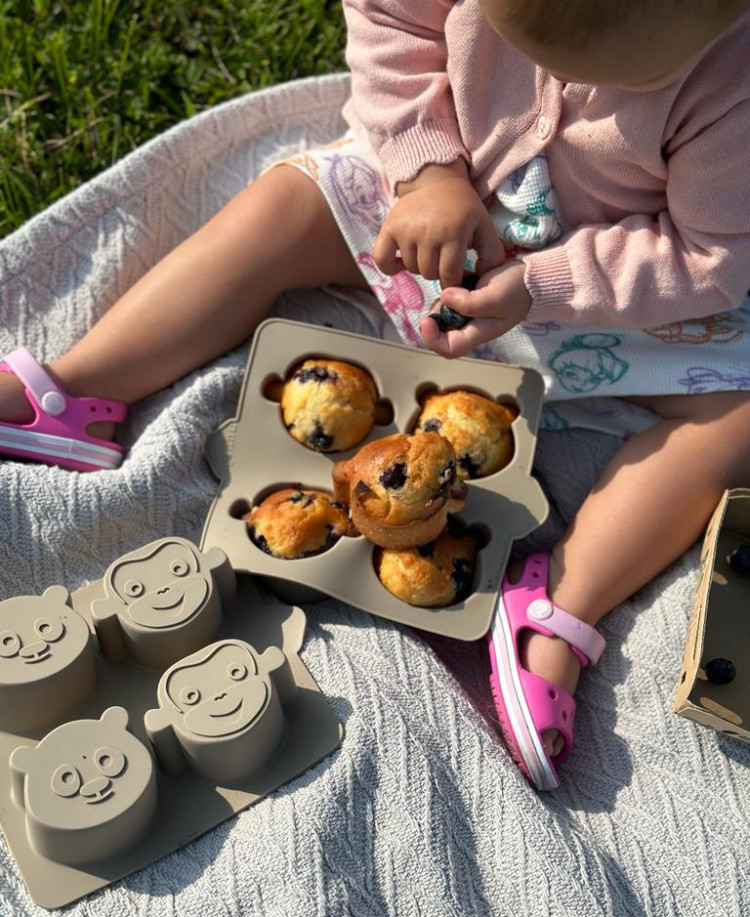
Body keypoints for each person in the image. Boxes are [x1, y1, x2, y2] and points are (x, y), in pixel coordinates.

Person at [2, 0, 750, 788]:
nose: (558, 84)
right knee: (287, 205)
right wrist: (429, 173)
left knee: (735, 417)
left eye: (625, 82)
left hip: (612, 297)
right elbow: (389, 25)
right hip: (424, 213)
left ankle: (559, 605)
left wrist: (545, 283)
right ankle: (82, 389)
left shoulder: (733, 84)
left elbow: (709, 256)